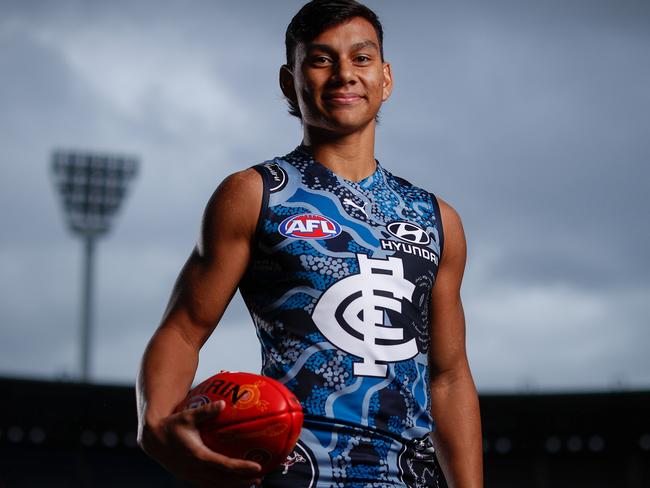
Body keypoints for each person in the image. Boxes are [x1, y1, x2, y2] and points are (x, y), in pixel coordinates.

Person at [136, 1, 483, 487]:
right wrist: (154, 426)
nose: (344, 75)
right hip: (296, 472)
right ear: (289, 82)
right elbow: (183, 331)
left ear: (386, 78)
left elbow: (448, 377)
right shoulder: (255, 194)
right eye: (321, 60)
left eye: (361, 59)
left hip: (409, 477)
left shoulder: (437, 219)